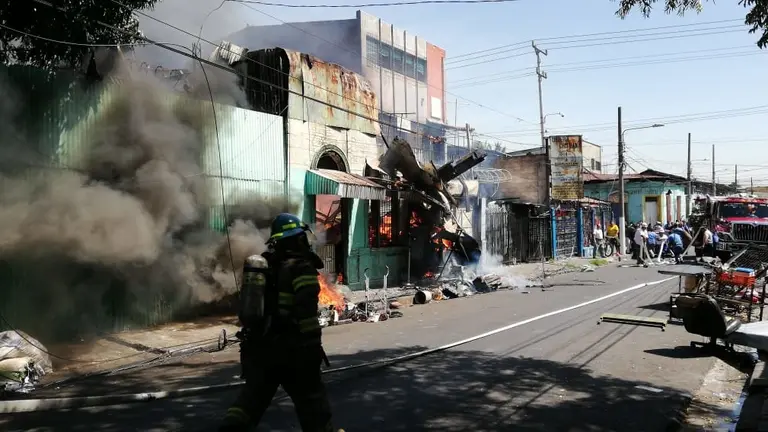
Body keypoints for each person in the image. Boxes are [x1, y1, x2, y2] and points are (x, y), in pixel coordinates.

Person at [219, 213, 340, 432]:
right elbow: (306, 316)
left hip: (262, 350)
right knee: (314, 408)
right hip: (294, 353)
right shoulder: (301, 268)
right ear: (297, 239)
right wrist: (312, 352)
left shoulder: (266, 265)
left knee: (249, 403)